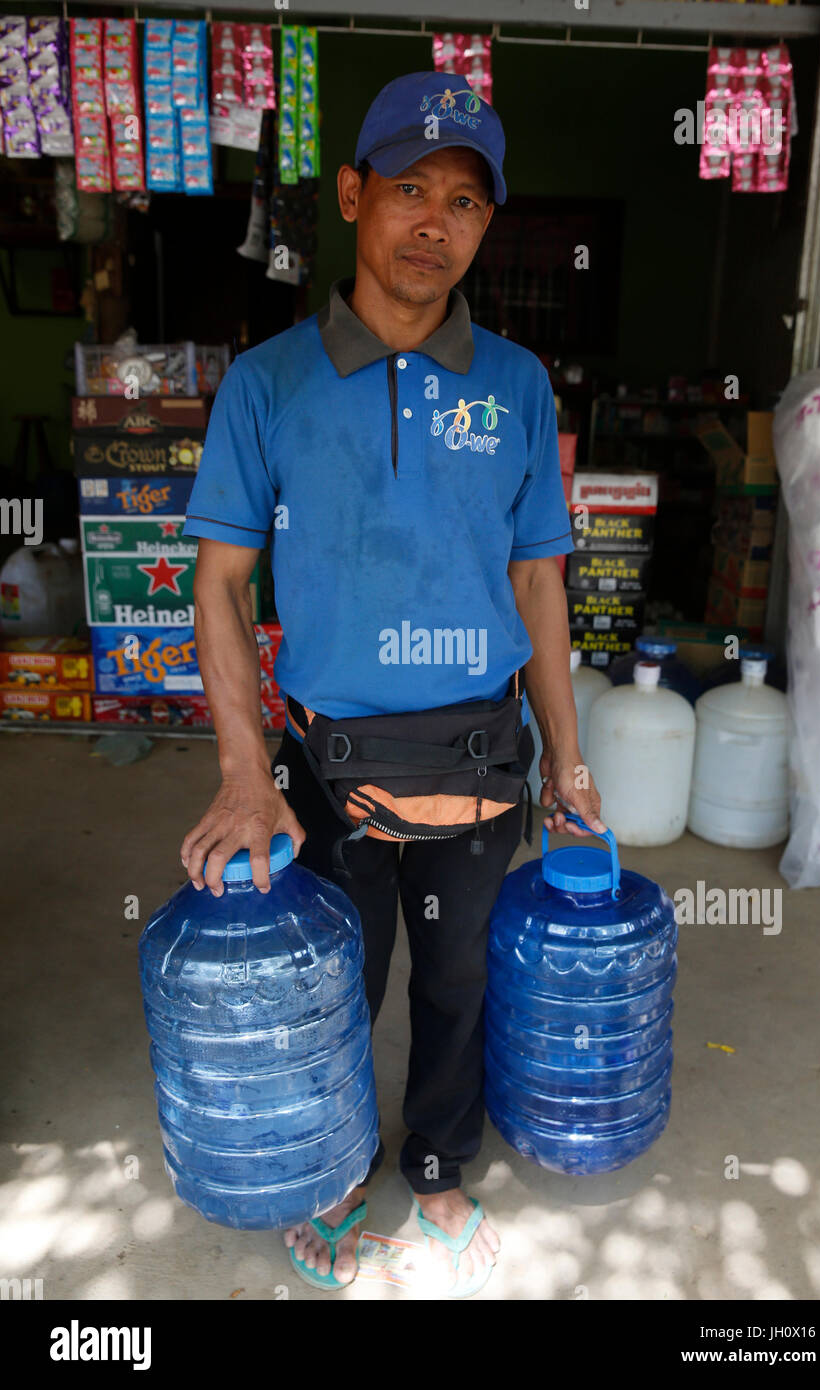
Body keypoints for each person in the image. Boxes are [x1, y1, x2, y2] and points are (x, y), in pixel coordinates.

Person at [180, 71, 605, 1298]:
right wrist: (243, 775)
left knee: (457, 974)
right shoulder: (268, 384)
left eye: (463, 201)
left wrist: (568, 765)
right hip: (322, 761)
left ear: (485, 225)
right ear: (355, 195)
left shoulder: (516, 384)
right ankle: (329, 1173)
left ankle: (436, 1169)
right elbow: (220, 584)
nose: (434, 222)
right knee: (333, 981)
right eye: (409, 189)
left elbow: (538, 588)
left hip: (478, 755)